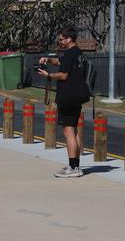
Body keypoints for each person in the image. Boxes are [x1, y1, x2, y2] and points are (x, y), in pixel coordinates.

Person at [36, 27, 90, 178]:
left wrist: (48, 75)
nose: (59, 42)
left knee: (68, 131)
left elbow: (64, 74)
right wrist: (47, 59)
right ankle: (76, 165)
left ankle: (73, 167)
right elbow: (60, 61)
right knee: (74, 130)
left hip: (68, 96)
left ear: (68, 39)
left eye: (61, 39)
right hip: (78, 96)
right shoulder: (78, 54)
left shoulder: (70, 53)